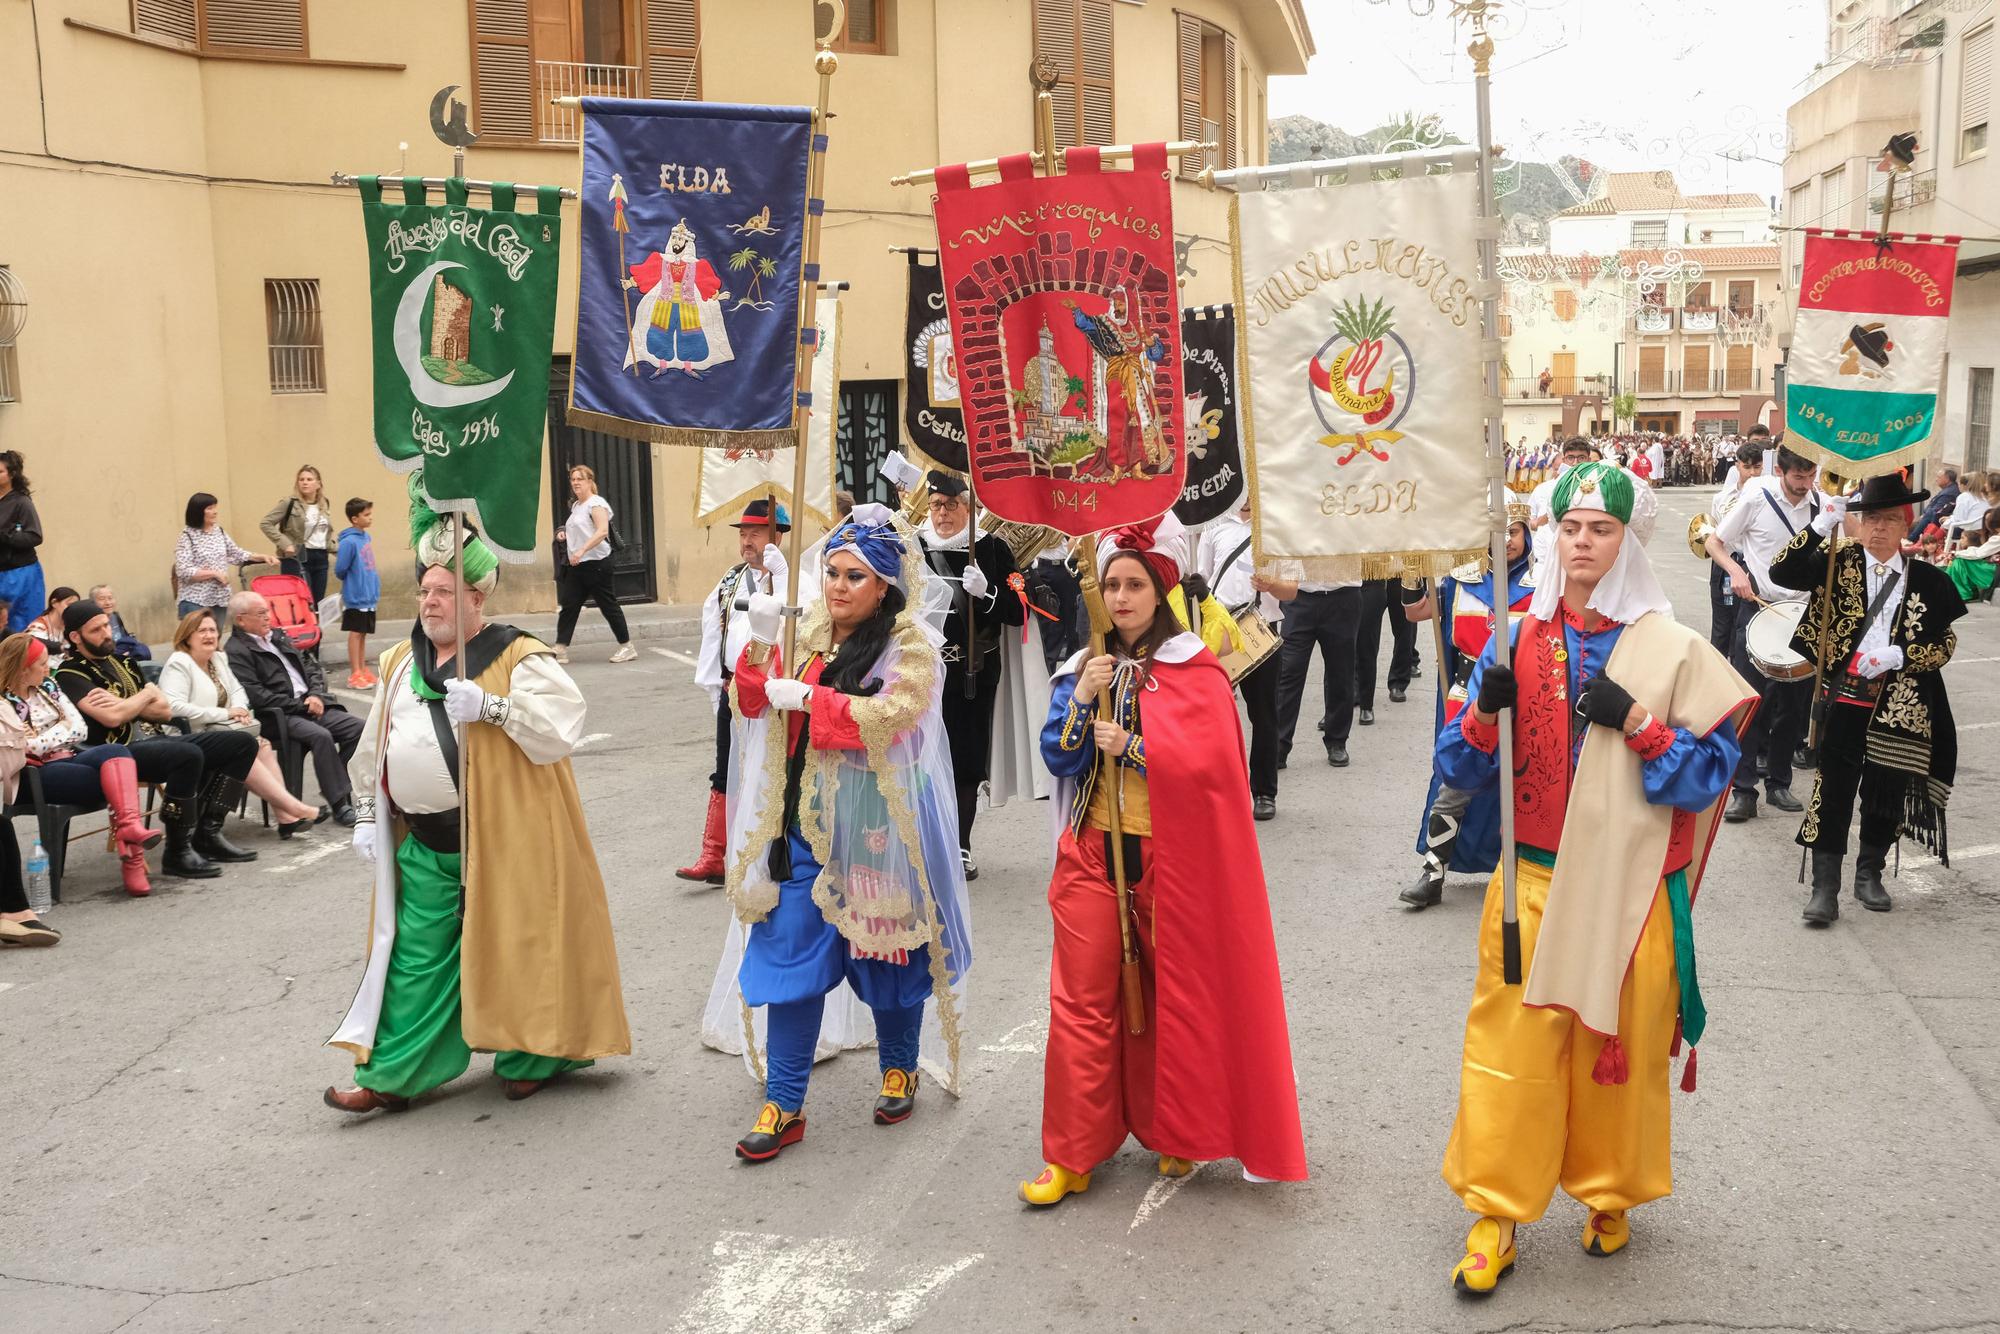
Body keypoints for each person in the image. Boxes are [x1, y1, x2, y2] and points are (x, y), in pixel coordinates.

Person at [1436, 462, 1753, 1294]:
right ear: (1550, 535)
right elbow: (1455, 769)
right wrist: (1482, 711)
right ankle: (1496, 1213)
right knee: (1510, 1050)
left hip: (1632, 889)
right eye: (1569, 528)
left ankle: (1608, 1192)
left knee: (1621, 1047)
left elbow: (1709, 777)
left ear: (1628, 538)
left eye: (1600, 529)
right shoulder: (1509, 638)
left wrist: (1643, 726)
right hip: (1530, 880)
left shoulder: (1676, 649)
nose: (1582, 543)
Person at [1020, 516, 1306, 1206]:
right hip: (1092, 854)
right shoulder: (1083, 666)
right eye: (1113, 584)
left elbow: (1215, 770)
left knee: (1171, 997)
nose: (1121, 597)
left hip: (1168, 860)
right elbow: (1058, 756)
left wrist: (1139, 750)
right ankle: (1072, 1152)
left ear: (1160, 591)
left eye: (1134, 585)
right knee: (1082, 1002)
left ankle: (1175, 1127)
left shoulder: (1193, 669)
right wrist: (1083, 701)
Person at [325, 500, 630, 1113]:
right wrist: (365, 813)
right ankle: (392, 1075)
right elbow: (375, 747)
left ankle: (535, 1054)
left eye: (444, 591)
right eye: (425, 590)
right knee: (414, 960)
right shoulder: (397, 661)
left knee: (520, 945)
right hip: (424, 842)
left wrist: (492, 708)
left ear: (476, 599)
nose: (430, 601)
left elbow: (560, 725)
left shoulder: (517, 654)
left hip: (503, 838)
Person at [715, 503, 973, 1160]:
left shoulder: (908, 645)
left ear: (884, 585)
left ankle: (899, 1064)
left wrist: (814, 701)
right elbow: (751, 699)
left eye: (854, 576)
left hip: (875, 833)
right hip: (801, 828)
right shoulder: (807, 634)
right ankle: (785, 1098)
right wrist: (762, 641)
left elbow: (895, 717)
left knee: (887, 956)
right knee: (790, 955)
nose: (837, 586)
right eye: (831, 572)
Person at [1770, 471, 1965, 924]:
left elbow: (1945, 644)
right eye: (1871, 518)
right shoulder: (1837, 562)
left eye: (1889, 519)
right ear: (1859, 522)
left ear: (1905, 525)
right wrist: (1820, 526)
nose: (1878, 527)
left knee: (1886, 790)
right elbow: (1782, 571)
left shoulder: (1930, 582)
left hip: (1901, 705)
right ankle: (1825, 888)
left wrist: (1902, 654)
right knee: (1832, 790)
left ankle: (1869, 873)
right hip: (1844, 699)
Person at [55, 599, 261, 879]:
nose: (106, 633)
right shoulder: (71, 673)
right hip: (116, 753)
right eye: (96, 630)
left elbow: (163, 711)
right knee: (187, 756)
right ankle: (177, 851)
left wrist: (123, 703)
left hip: (155, 740)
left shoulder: (123, 661)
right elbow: (112, 719)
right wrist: (145, 694)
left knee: (241, 744)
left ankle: (207, 833)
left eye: (106, 625)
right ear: (75, 637)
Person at [1401, 504, 1537, 909]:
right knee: (1454, 782)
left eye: (1515, 531)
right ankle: (1434, 869)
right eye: (1499, 531)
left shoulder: (1546, 583)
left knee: (1526, 782)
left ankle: (1526, 868)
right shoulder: (1458, 582)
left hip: (1523, 698)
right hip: (1468, 701)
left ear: (1526, 535)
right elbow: (1415, 613)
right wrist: (1412, 566)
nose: (1508, 540)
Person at [918, 471, 1028, 879]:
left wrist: (989, 594)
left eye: (951, 505)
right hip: (922, 671)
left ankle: (961, 845)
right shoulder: (914, 547)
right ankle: (926, 839)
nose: (943, 514)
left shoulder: (995, 549)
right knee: (922, 758)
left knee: (965, 760)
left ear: (968, 507)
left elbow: (1020, 608)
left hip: (973, 673)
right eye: (936, 505)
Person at [1710, 445, 1824, 823]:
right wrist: (1736, 572)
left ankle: (1779, 783)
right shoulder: (1757, 495)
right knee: (1752, 703)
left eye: (1810, 477)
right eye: (1798, 477)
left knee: (1792, 707)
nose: (1804, 485)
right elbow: (1715, 542)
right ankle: (1744, 791)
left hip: (1800, 615)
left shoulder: (1818, 503)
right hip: (1757, 608)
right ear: (1782, 471)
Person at [681, 499, 792, 885]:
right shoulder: (729, 580)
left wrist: (787, 581)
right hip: (733, 689)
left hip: (774, 693)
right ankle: (714, 854)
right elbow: (713, 631)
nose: (747, 541)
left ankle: (768, 850)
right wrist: (714, 687)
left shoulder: (794, 578)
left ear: (777, 536)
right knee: (724, 768)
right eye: (743, 534)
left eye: (755, 533)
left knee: (771, 770)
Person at [2, 633, 160, 898]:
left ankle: (128, 829)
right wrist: (57, 731)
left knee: (116, 752)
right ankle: (131, 853)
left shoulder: (48, 687)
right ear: (22, 670)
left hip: (67, 758)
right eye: (41, 664)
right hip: (33, 775)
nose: (48, 667)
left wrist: (44, 739)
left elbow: (80, 729)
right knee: (116, 781)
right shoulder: (4, 703)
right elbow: (25, 749)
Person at [159, 610, 328, 837]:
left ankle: (286, 818)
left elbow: (238, 690)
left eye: (212, 630)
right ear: (187, 636)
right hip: (188, 735)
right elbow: (175, 708)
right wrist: (226, 713)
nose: (209, 635)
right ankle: (295, 808)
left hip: (220, 731)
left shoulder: (218, 659)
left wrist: (239, 710)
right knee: (243, 750)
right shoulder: (179, 663)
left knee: (262, 745)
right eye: (201, 631)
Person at [225, 591, 363, 827]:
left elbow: (311, 667)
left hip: (310, 706)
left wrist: (316, 695)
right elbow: (256, 695)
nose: (268, 617)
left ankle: (336, 781)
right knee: (321, 737)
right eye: (261, 613)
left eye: (267, 610)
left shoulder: (277, 636)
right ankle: (340, 803)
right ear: (241, 620)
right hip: (281, 715)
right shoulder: (236, 650)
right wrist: (301, 704)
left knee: (361, 729)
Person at [1196, 500, 1290, 820]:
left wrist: (1270, 585)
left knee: (1264, 716)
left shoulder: (1275, 528)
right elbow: (1202, 583)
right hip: (1221, 631)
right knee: (1214, 718)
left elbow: (1291, 591)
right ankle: (1218, 790)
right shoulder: (1214, 526)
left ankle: (1264, 791)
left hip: (1261, 630)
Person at [1266, 548, 1362, 768]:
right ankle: (1279, 744)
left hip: (1343, 592)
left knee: (1341, 672)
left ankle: (1337, 740)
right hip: (1300, 596)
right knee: (1289, 671)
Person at [554, 465, 636, 665]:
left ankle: (627, 646)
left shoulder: (596, 504)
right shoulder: (576, 506)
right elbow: (578, 528)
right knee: (569, 605)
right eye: (573, 480)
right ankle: (560, 648)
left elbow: (601, 532)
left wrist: (581, 549)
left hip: (597, 564)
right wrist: (563, 532)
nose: (575, 483)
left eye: (580, 479)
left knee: (608, 606)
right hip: (578, 566)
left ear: (590, 482)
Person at [175, 492, 275, 625]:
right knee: (197, 641)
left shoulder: (218, 531)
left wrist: (262, 557)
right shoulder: (187, 536)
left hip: (219, 598)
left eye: (215, 507)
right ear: (198, 512)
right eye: (209, 508)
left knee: (215, 640)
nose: (215, 512)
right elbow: (183, 571)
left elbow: (236, 554)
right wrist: (214, 574)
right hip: (195, 601)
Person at [1705, 441, 1765, 655]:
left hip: (1753, 566)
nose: (1752, 473)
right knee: (1722, 625)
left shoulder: (1768, 498)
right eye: (1746, 467)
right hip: (1726, 567)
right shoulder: (1722, 498)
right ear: (1737, 466)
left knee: (1747, 628)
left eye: (1757, 467)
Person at [261, 464, 335, 604]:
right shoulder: (289, 503)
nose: (305, 482)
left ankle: (316, 626)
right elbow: (266, 523)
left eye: (309, 479)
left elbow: (322, 534)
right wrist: (285, 544)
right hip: (298, 556)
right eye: (301, 479)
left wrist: (337, 549)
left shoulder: (324, 504)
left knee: (318, 602)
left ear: (318, 484)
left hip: (321, 557)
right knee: (302, 601)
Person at [1355, 571, 1420, 724]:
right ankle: (1358, 686)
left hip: (1401, 569)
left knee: (1404, 630)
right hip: (1372, 571)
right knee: (1365, 635)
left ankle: (1399, 682)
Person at [1528, 437, 1594, 577]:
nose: (1575, 463)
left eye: (1581, 458)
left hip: (1579, 553)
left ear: (1588, 459)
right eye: (1571, 458)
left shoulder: (1595, 487)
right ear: (1564, 460)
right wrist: (1535, 523)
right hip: (1545, 554)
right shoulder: (1544, 488)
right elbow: (1530, 519)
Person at [335, 498, 380, 689]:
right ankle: (355, 674)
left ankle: (362, 669)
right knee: (355, 633)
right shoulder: (349, 542)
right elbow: (340, 569)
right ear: (355, 519)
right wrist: (356, 583)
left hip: (369, 595)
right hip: (356, 596)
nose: (370, 518)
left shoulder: (365, 538)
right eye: (366, 515)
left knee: (363, 633)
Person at [0, 452, 45, 636]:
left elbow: (35, 536)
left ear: (11, 475)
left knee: (22, 627)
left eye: (0, 471)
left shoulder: (21, 502)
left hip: (21, 574)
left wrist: (5, 537)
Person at [1944, 511, 2000, 602]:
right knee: (1960, 560)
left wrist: (1955, 553)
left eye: (1989, 520)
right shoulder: (1987, 535)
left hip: (1995, 570)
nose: (1987, 522)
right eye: (1985, 519)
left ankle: (1960, 594)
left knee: (1960, 561)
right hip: (1991, 567)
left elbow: (1979, 554)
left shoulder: (1997, 538)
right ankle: (1958, 592)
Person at [87, 585, 152, 663]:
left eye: (110, 598)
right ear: (92, 602)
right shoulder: (92, 623)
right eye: (102, 599)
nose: (107, 603)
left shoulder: (115, 616)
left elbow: (124, 635)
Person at [1907, 465, 1960, 542]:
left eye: (1939, 477)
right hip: (1929, 519)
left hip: (1935, 523)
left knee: (1928, 514)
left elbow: (1935, 512)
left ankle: (1911, 540)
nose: (1936, 479)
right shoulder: (1948, 489)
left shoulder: (1949, 493)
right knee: (1907, 526)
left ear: (1947, 479)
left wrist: (1924, 515)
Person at [26, 587, 78, 658]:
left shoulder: (71, 626)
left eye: (75, 606)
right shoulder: (38, 626)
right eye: (69, 605)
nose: (73, 609)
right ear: (54, 603)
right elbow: (33, 647)